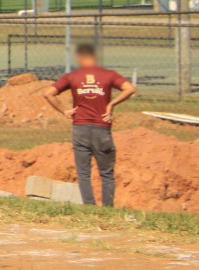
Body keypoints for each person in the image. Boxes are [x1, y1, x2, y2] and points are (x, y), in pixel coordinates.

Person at [44, 43, 137, 208]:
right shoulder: (109, 74)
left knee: (83, 173)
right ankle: (107, 208)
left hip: (80, 128)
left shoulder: (72, 76)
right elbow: (130, 88)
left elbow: (48, 93)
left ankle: (89, 207)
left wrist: (64, 111)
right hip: (102, 129)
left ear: (79, 57)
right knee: (107, 173)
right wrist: (111, 104)